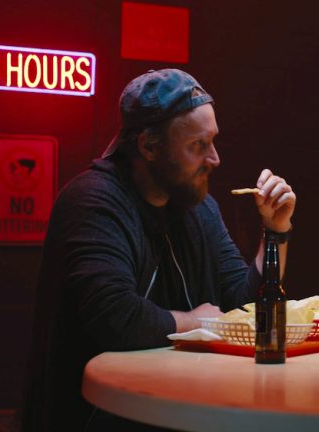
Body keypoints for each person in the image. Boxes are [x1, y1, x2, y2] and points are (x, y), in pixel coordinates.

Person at [21, 69, 296, 430]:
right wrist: (198, 323)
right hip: (97, 419)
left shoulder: (201, 209)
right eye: (198, 145)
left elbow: (244, 307)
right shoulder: (92, 201)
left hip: (178, 414)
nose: (215, 158)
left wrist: (275, 230)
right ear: (149, 146)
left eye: (213, 141)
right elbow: (115, 318)